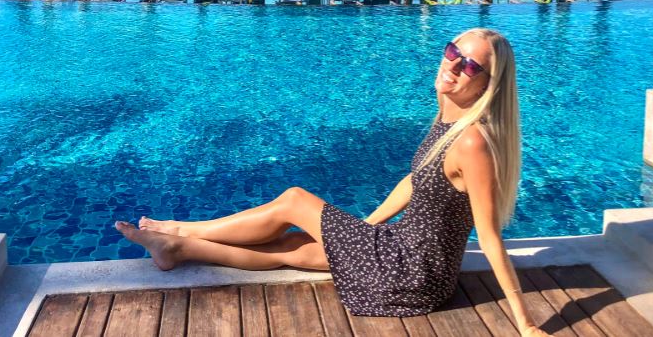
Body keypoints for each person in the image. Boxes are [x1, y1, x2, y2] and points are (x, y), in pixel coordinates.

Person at [114, 29, 549, 335]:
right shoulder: (448, 117)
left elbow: (489, 237)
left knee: (294, 201)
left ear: (488, 85)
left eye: (469, 65)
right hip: (407, 255)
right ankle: (177, 248)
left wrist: (525, 324)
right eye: (453, 50)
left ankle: (180, 230)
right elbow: (416, 182)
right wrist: (368, 225)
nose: (453, 64)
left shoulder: (472, 140)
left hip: (414, 274)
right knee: (292, 250)